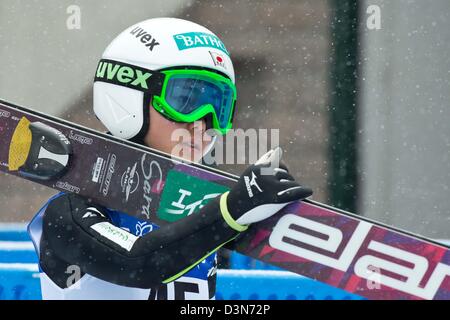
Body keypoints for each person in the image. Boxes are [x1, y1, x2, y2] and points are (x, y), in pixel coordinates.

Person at [27, 18, 312, 300]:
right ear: (129, 96)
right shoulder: (68, 213)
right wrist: (231, 211)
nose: (202, 125)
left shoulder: (202, 211)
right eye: (185, 101)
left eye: (218, 107)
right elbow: (137, 264)